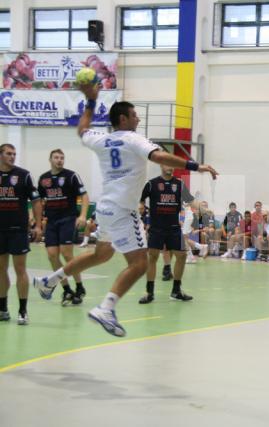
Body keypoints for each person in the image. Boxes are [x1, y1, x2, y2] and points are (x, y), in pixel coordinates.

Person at [33, 83, 217, 337]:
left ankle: (50, 280)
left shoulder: (102, 140)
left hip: (106, 208)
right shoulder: (133, 139)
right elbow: (160, 157)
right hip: (123, 210)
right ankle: (106, 308)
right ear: (123, 118)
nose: (138, 118)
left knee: (101, 255)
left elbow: (82, 129)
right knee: (139, 263)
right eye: (134, 114)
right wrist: (196, 166)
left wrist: (90, 101)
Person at [138, 165, 198, 304]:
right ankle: (149, 292)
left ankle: (176, 291)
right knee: (152, 257)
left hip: (174, 227)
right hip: (156, 228)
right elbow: (141, 198)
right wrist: (141, 205)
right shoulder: (151, 184)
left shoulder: (179, 184)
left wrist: (203, 209)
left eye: (171, 164)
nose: (169, 167)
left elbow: (191, 200)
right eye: (166, 164)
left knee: (182, 256)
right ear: (161, 166)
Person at [38, 149, 89, 306]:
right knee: (52, 255)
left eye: (62, 158)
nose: (59, 160)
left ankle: (79, 286)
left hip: (67, 218)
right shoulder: (43, 179)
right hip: (52, 221)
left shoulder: (71, 176)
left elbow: (84, 196)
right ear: (50, 159)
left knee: (67, 254)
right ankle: (67, 289)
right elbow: (39, 201)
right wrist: (37, 221)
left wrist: (82, 216)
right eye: (56, 157)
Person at [0, 144, 43, 325]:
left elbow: (36, 201)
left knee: (20, 270)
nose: (12, 157)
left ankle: (23, 310)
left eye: (14, 154)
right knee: (1, 270)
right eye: (9, 154)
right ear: (1, 155)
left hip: (18, 229)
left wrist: (38, 226)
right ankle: (3, 309)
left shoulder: (23, 175)